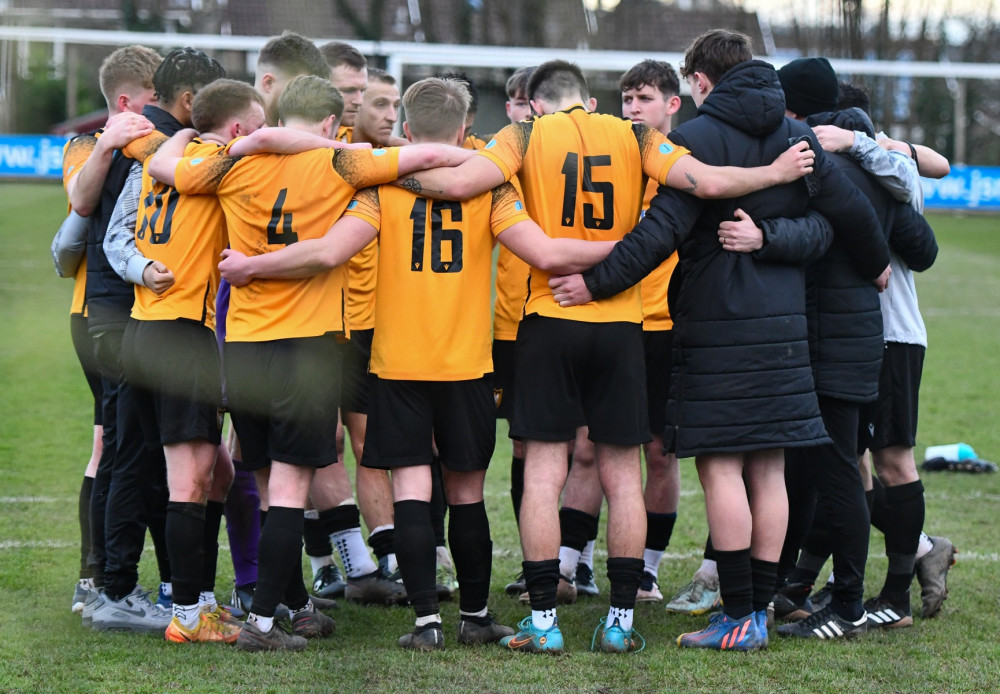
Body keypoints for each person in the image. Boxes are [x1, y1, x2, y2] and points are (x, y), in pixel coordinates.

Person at [393, 57, 816, 654]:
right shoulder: (636, 133)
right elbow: (709, 184)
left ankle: (542, 623)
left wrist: (380, 170)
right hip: (622, 321)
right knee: (623, 473)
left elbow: (461, 183)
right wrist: (774, 172)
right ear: (589, 102)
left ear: (535, 104)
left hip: (548, 316)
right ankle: (620, 621)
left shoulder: (525, 133)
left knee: (544, 472)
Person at [216, 76, 619, 651]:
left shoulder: (382, 187)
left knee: (410, 491)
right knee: (467, 494)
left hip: (396, 363)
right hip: (467, 363)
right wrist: (633, 244)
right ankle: (476, 617)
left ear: (406, 131)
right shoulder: (491, 187)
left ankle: (426, 621)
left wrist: (254, 265)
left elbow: (329, 252)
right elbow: (548, 254)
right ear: (464, 131)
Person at [548, 31, 889, 651]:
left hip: (715, 329)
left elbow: (659, 235)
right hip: (787, 332)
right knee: (770, 471)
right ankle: (757, 612)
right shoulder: (798, 138)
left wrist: (594, 284)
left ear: (700, 82)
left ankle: (738, 616)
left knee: (723, 468)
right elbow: (843, 224)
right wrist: (868, 264)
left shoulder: (696, 141)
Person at [149, 74, 476, 651]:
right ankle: (266, 625)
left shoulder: (230, 164)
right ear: (329, 123)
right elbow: (431, 153)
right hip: (307, 346)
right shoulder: (345, 165)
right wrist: (339, 149)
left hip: (244, 343)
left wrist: (246, 142)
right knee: (293, 489)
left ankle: (291, 607)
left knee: (268, 482)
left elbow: (164, 161)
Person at [768, 58, 936, 641]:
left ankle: (897, 585)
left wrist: (867, 150)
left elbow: (920, 243)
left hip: (888, 333)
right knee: (850, 468)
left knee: (887, 461)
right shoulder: (859, 156)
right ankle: (825, 585)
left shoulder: (875, 161)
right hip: (854, 333)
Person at [110, 77, 267, 644]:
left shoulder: (165, 153)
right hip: (183, 334)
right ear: (236, 130)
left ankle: (198, 600)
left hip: (144, 331)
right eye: (259, 123)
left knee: (217, 472)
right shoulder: (222, 164)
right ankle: (185, 615)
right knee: (191, 479)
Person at [56, 44, 160, 614]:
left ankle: (116, 579)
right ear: (125, 102)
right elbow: (81, 202)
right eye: (154, 100)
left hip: (138, 309)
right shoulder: (85, 147)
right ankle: (95, 578)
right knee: (110, 442)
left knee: (130, 442)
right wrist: (114, 139)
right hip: (97, 312)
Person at [619, 59, 684, 604]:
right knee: (594, 450)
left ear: (672, 104)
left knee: (660, 454)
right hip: (613, 323)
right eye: (627, 100)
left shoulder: (685, 163)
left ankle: (648, 569)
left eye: (643, 98)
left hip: (666, 327)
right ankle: (572, 563)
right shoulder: (613, 159)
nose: (634, 109)